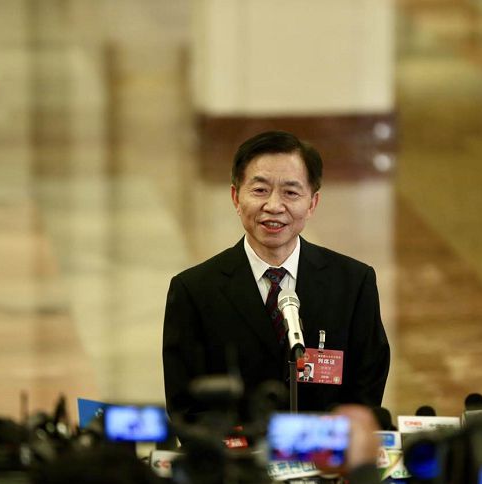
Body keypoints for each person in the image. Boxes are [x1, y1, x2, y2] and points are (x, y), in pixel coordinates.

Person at [162, 130, 390, 422]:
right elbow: (186, 406)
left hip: (326, 449)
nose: (273, 206)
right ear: (236, 197)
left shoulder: (353, 284)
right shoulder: (194, 290)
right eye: (260, 190)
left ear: (312, 203)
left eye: (290, 192)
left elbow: (366, 394)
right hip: (237, 450)